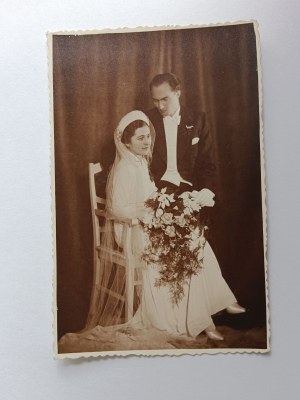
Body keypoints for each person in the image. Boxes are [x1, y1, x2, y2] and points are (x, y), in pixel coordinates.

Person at [90, 110, 244, 341]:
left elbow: (149, 196)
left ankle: (216, 306)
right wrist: (147, 214)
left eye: (148, 136)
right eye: (140, 138)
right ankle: (205, 320)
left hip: (148, 224)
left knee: (195, 237)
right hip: (132, 231)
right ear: (127, 143)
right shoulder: (125, 168)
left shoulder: (140, 163)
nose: (146, 141)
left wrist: (168, 208)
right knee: (183, 248)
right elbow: (118, 209)